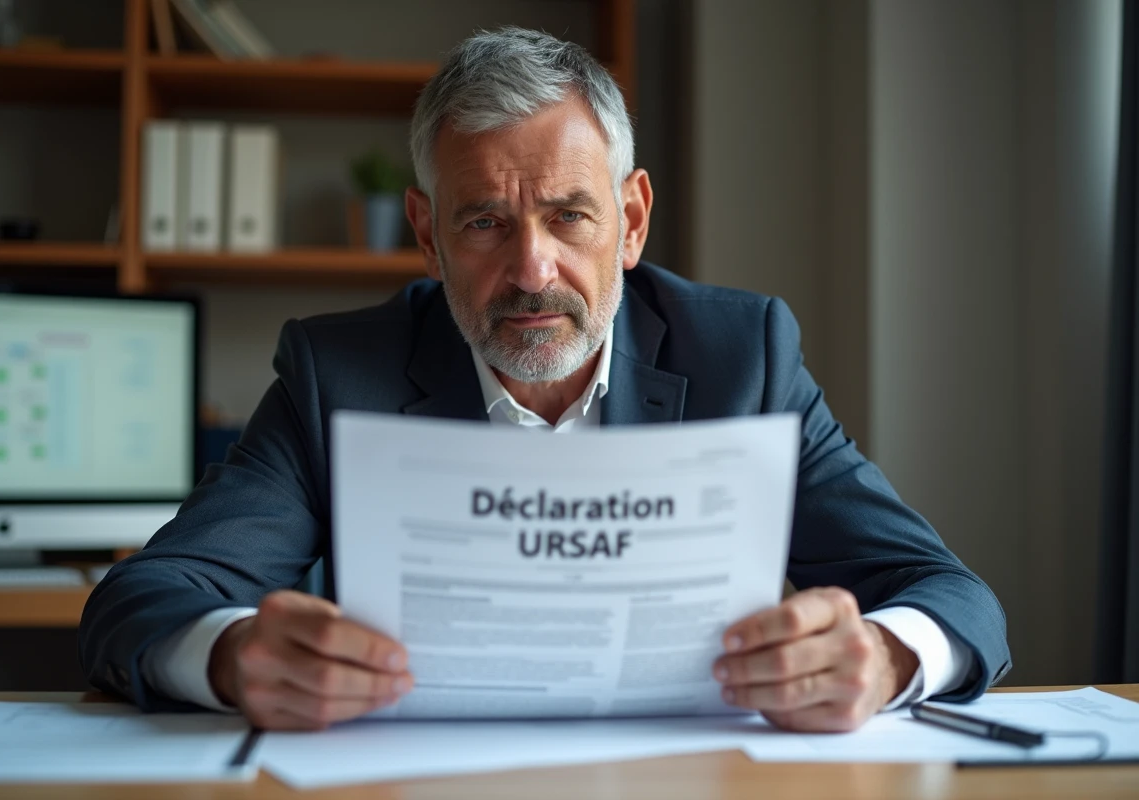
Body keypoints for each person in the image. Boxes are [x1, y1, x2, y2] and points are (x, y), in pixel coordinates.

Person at [79, 27, 1010, 733]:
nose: (532, 271)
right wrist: (233, 654)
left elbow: (950, 593)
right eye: (485, 222)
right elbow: (145, 596)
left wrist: (885, 658)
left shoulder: (742, 357)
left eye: (570, 216)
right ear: (427, 234)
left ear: (632, 221)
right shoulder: (340, 375)